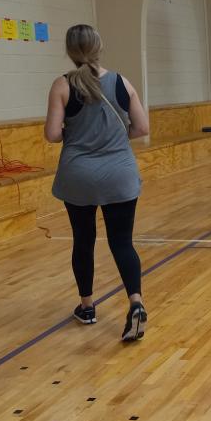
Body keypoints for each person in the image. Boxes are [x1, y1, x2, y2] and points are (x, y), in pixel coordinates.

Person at [44, 24, 150, 342]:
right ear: (99, 47)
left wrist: (77, 135)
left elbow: (51, 134)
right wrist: (115, 138)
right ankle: (136, 301)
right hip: (119, 172)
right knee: (122, 242)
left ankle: (88, 307)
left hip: (79, 175)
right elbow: (142, 127)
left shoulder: (62, 85)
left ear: (69, 51)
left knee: (84, 240)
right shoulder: (121, 82)